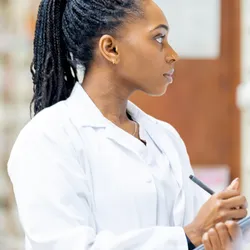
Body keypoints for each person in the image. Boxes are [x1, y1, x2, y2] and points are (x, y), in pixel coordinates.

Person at [7, 0, 249, 249]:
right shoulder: (47, 137)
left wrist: (224, 232)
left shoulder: (165, 137)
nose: (172, 54)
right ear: (111, 48)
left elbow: (200, 236)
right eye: (159, 38)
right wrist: (189, 234)